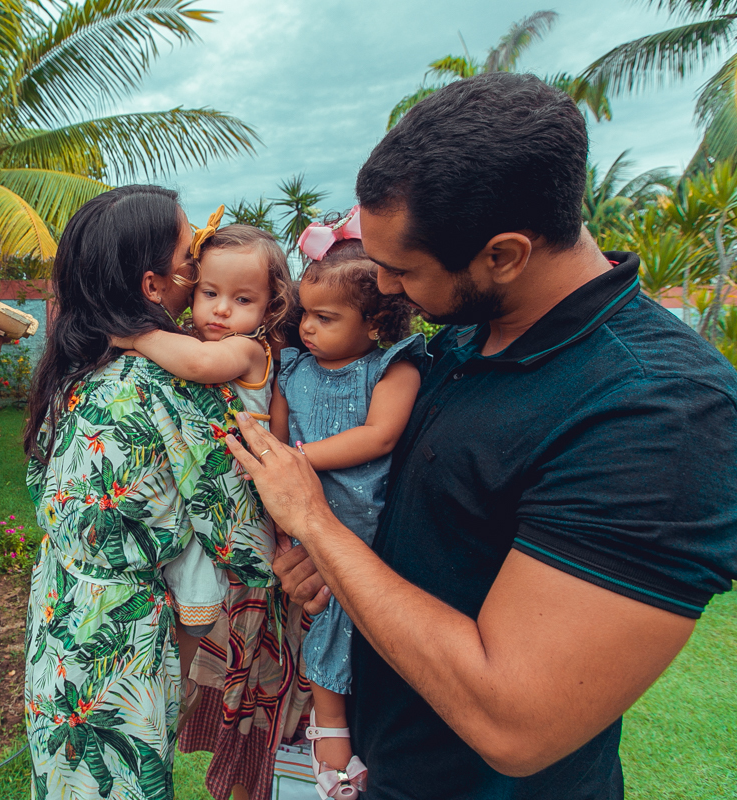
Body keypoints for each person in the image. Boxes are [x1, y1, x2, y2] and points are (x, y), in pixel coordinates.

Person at [225, 73, 737, 799]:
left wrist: (313, 519)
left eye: (402, 271)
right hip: (390, 769)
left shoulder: (660, 411)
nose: (390, 291)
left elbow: (516, 722)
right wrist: (334, 564)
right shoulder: (463, 343)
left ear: (502, 255)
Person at [23, 185, 276, 800]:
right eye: (191, 260)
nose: (199, 273)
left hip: (56, 610)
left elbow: (39, 486)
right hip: (122, 636)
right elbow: (233, 520)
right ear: (153, 286)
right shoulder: (161, 381)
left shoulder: (71, 371)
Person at [113, 212, 292, 729]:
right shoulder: (201, 340)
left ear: (268, 308)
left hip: (233, 495)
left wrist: (133, 336)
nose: (220, 310)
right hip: (206, 492)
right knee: (185, 576)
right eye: (210, 292)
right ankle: (178, 673)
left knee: (197, 583)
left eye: (242, 300)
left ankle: (181, 678)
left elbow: (197, 367)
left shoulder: (246, 350)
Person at [273, 207, 425, 797]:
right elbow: (281, 434)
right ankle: (327, 719)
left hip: (368, 521)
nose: (307, 328)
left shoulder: (391, 368)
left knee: (360, 615)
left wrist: (299, 461)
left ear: (376, 322)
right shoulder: (296, 367)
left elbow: (379, 436)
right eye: (305, 314)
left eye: (325, 318)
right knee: (324, 612)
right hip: (310, 524)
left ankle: (343, 719)